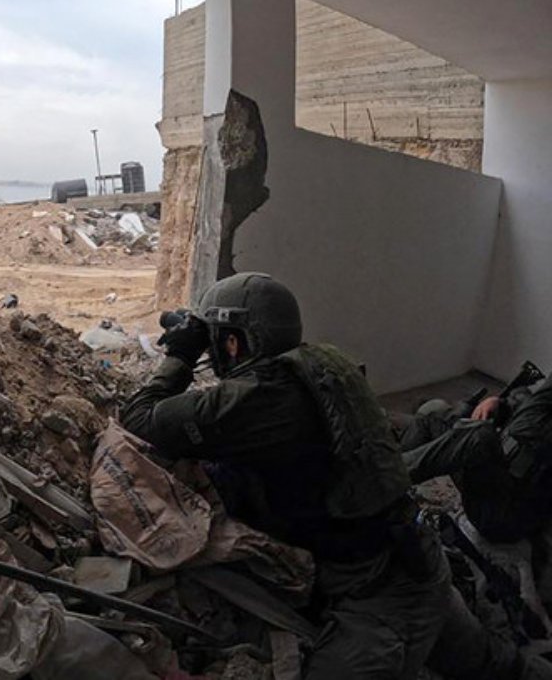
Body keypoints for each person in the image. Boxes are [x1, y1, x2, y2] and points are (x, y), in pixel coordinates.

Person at [120, 272, 546, 679]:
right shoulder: (319, 365)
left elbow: (137, 419)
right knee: (490, 662)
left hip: (380, 596)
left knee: (470, 658)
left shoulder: (258, 400)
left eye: (216, 339)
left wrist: (180, 354)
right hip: (415, 558)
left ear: (234, 342)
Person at [401, 373, 552, 545]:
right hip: (487, 474)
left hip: (503, 514)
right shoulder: (541, 401)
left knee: (480, 437)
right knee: (432, 411)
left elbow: (525, 429)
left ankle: (388, 479)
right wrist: (498, 403)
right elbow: (526, 407)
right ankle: (394, 468)